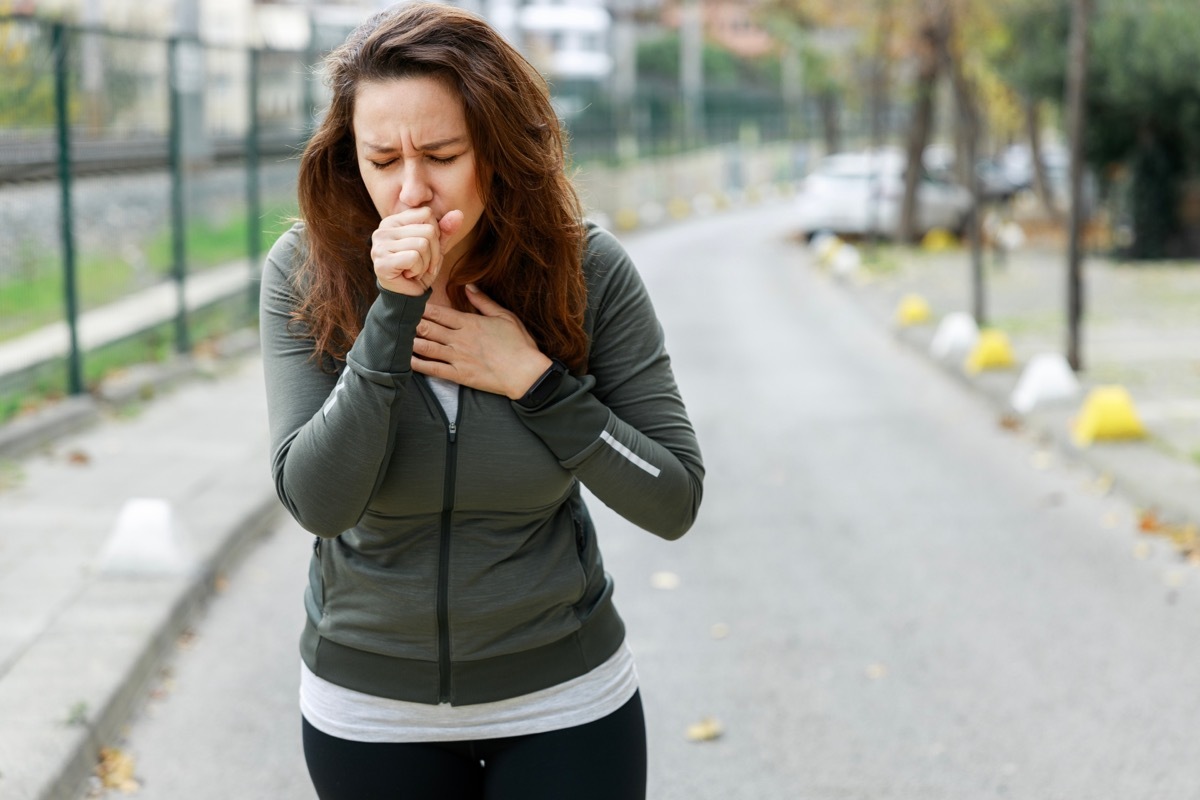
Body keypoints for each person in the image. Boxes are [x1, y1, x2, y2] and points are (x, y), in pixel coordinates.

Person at [259, 4, 704, 798]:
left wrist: (536, 383)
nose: (410, 189)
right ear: (346, 158)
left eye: (441, 154)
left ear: (497, 150)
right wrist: (392, 311)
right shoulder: (307, 270)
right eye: (381, 158)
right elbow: (319, 500)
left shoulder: (587, 269)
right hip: (370, 712)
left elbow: (673, 498)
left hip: (567, 701)